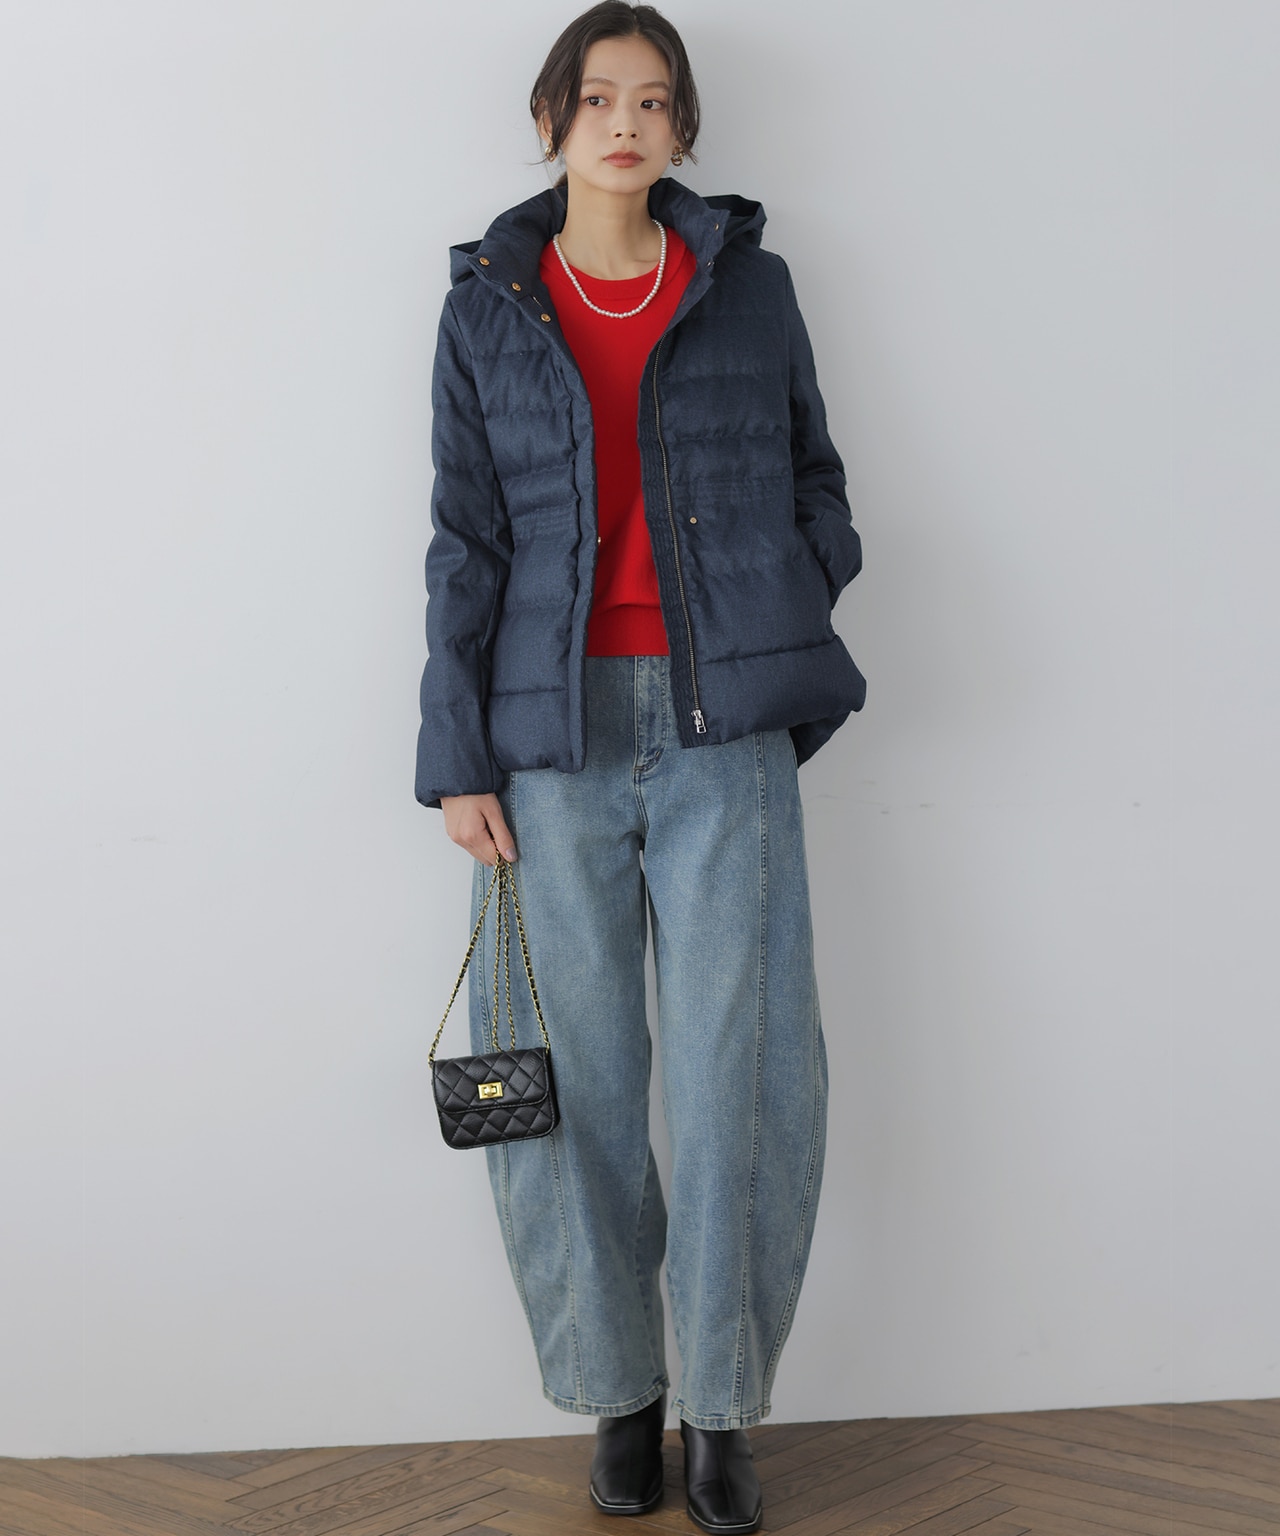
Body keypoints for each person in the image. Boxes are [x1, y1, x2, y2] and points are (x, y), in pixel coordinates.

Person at [415, 4, 865, 1530]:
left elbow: (818, 480)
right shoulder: (487, 307)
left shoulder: (749, 287)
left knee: (748, 1077)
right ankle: (622, 1390)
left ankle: (722, 1409)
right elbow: (464, 543)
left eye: (654, 100)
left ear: (682, 127)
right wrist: (457, 756)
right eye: (599, 97)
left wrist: (781, 597)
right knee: (581, 1085)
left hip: (723, 729)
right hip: (547, 741)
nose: (626, 123)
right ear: (552, 118)